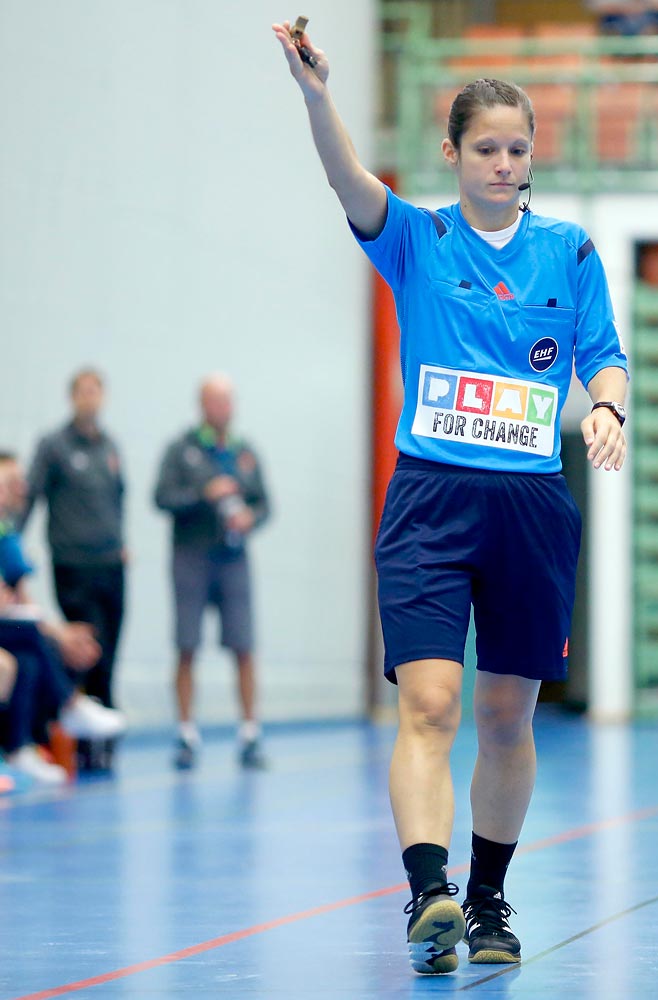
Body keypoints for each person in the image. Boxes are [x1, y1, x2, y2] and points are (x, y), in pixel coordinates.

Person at [273, 21, 629, 976]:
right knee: (429, 705)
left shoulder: (570, 251)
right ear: (453, 153)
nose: (504, 162)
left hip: (531, 509)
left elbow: (603, 357)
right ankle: (427, 890)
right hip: (430, 502)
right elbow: (348, 181)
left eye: (517, 147)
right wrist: (316, 96)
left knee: (506, 716)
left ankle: (487, 898)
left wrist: (606, 412)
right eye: (486, 147)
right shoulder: (417, 241)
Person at [154, 376, 271, 772]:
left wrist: (249, 517)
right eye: (214, 401)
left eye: (227, 401)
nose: (221, 408)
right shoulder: (182, 449)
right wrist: (203, 495)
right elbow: (161, 497)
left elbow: (265, 505)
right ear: (202, 405)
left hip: (233, 561)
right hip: (191, 559)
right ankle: (186, 733)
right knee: (187, 644)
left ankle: (250, 733)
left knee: (244, 646)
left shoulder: (245, 453)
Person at [18, 368, 127, 771]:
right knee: (86, 648)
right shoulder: (55, 445)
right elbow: (30, 496)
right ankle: (84, 736)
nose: (90, 398)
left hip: (110, 563)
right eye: (83, 391)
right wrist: (8, 546)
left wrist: (122, 543)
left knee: (110, 650)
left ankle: (106, 738)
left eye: (96, 390)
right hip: (74, 563)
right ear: (72, 397)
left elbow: (119, 499)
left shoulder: (110, 447)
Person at [0, 452, 127, 785]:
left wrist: (60, 633)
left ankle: (19, 749)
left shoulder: (6, 532)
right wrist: (56, 636)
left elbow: (20, 600)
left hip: (7, 624)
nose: (19, 490)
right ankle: (69, 705)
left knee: (27, 660)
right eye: (10, 483)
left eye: (20, 483)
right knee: (31, 638)